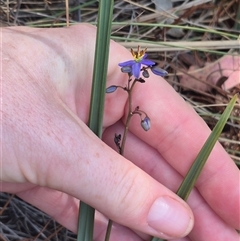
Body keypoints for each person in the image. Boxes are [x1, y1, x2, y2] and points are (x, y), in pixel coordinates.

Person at [1, 24, 239, 241]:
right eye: (136, 59)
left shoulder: (135, 72)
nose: (137, 59)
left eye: (139, 59)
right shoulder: (130, 72)